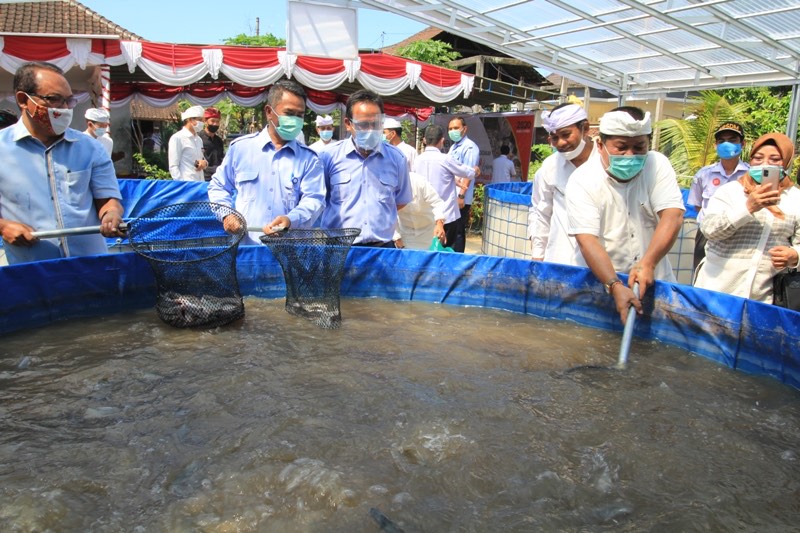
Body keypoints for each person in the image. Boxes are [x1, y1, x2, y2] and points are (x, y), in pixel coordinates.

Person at [566, 106, 685, 324]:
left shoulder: (657, 165)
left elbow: (673, 215)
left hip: (654, 280)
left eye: (639, 147)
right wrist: (614, 285)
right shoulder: (582, 180)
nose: (630, 155)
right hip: (601, 284)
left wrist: (648, 263)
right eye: (621, 148)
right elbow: (587, 240)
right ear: (600, 145)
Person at [0, 61, 124, 265]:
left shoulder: (91, 148)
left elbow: (108, 198)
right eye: (54, 99)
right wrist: (4, 226)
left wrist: (111, 214)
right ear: (23, 100)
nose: (65, 108)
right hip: (31, 271)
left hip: (90, 268)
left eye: (69, 101)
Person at [208, 79, 325, 244]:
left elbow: (314, 200)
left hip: (288, 251)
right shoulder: (241, 149)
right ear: (269, 112)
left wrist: (290, 220)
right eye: (289, 113)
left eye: (300, 115)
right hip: (247, 248)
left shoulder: (309, 158)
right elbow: (218, 186)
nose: (295, 120)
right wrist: (227, 214)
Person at [694, 133, 800, 303]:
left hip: (763, 299)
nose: (765, 164)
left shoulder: (795, 199)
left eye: (774, 159)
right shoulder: (730, 192)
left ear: (786, 162)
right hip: (715, 293)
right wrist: (748, 208)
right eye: (758, 158)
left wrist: (794, 256)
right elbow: (709, 230)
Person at [318, 89, 412, 247]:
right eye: (363, 125)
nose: (370, 130)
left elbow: (400, 201)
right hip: (339, 249)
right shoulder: (328, 157)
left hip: (381, 249)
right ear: (348, 124)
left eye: (375, 124)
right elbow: (318, 199)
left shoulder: (397, 159)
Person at [528, 103, 595, 263]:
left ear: (585, 128)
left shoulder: (604, 163)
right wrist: (538, 255)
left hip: (601, 263)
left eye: (566, 134)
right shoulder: (550, 167)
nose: (561, 143)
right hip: (559, 259)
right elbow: (541, 213)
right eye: (555, 138)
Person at [688, 121, 749, 273]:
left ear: (742, 144)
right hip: (707, 234)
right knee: (702, 274)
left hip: (740, 233)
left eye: (732, 140)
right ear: (715, 146)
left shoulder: (751, 174)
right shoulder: (704, 175)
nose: (726, 144)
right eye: (722, 141)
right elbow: (698, 205)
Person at [413, 124, 480, 251]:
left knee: (426, 252)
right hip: (446, 216)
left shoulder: (417, 160)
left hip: (424, 216)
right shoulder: (445, 159)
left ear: (424, 140)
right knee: (448, 252)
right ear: (442, 140)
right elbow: (468, 172)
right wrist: (475, 170)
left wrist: (453, 180)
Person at [447, 116, 480, 252]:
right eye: (450, 129)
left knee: (458, 232)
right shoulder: (454, 146)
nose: (452, 131)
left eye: (456, 128)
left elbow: (469, 172)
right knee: (451, 231)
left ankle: (458, 259)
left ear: (464, 129)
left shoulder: (469, 147)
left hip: (460, 198)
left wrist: (461, 196)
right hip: (452, 195)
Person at [393, 171, 447, 250]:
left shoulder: (419, 181)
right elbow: (390, 214)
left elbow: (436, 202)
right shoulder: (389, 187)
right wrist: (396, 237)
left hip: (429, 231)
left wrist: (439, 224)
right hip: (406, 233)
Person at [168, 105, 207, 181]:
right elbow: (173, 166)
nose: (202, 123)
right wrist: (182, 185)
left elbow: (202, 158)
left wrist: (204, 163)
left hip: (200, 182)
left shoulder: (199, 140)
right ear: (190, 120)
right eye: (200, 120)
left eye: (203, 121)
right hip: (187, 183)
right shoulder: (177, 138)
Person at [198, 107, 224, 182]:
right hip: (203, 178)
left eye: (217, 121)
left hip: (218, 177)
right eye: (212, 121)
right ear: (205, 121)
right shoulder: (198, 138)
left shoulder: (219, 140)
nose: (215, 124)